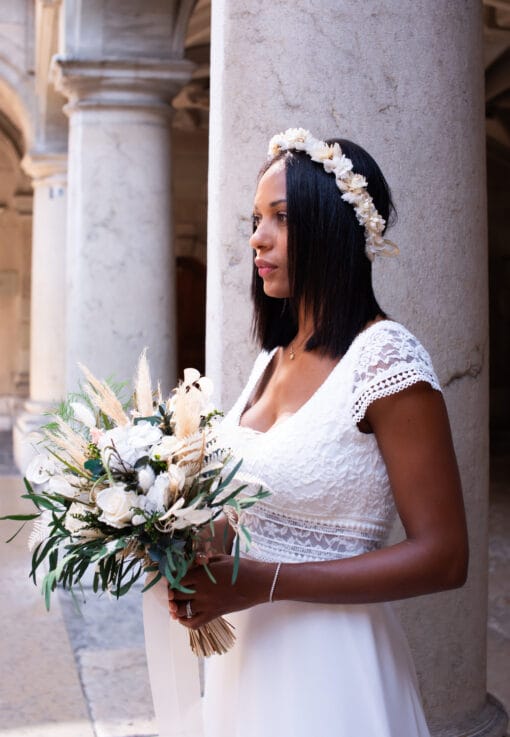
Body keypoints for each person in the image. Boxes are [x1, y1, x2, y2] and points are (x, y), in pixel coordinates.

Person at [167, 128, 469, 737]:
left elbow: (445, 558)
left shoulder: (386, 360)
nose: (258, 238)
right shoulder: (271, 360)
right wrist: (185, 550)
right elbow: (250, 508)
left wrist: (265, 582)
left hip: (333, 667)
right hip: (247, 660)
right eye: (255, 219)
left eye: (281, 217)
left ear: (334, 227)